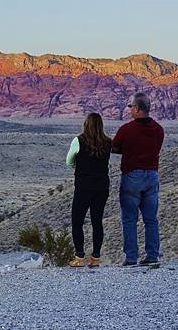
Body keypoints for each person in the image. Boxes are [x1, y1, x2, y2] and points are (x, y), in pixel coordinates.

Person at [112, 92, 164, 266]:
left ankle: (131, 257)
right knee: (151, 218)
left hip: (132, 176)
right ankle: (152, 255)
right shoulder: (158, 129)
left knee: (129, 218)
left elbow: (115, 147)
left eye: (130, 107)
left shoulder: (127, 129)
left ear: (137, 108)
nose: (129, 110)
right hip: (152, 176)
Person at [65, 112, 112, 267]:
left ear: (86, 124)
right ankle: (95, 258)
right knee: (97, 221)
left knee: (77, 221)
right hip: (102, 187)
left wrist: (77, 166)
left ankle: (79, 257)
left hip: (84, 187)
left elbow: (69, 161)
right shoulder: (107, 142)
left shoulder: (79, 140)